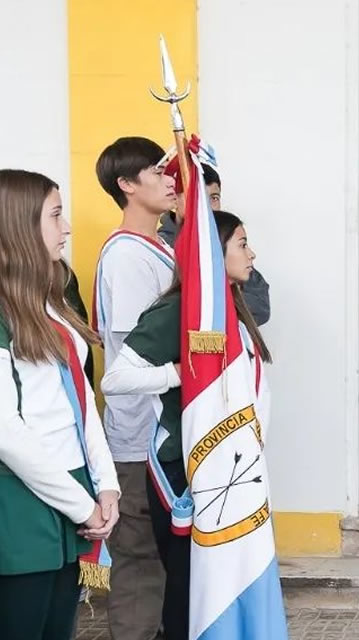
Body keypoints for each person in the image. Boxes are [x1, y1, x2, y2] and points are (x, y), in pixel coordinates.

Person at [102, 210, 272, 640]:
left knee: (222, 590)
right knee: (188, 594)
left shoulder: (228, 305)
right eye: (241, 244)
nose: (251, 254)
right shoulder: (178, 309)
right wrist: (179, 373)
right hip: (185, 475)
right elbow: (116, 378)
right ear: (214, 252)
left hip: (230, 472)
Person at [0, 169, 120, 640]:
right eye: (55, 215)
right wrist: (83, 506)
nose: (67, 227)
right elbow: (7, 433)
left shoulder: (50, 304)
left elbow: (83, 403)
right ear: (19, 225)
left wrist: (105, 485)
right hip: (21, 507)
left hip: (71, 496)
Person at [93, 136, 177, 640]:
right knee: (141, 561)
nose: (169, 179)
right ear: (126, 185)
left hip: (163, 433)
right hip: (138, 438)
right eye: (156, 171)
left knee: (163, 561)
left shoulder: (160, 245)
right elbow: (131, 360)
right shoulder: (127, 256)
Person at [161, 162, 272, 326]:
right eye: (197, 197)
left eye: (214, 198)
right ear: (175, 199)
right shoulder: (163, 246)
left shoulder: (223, 240)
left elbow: (260, 305)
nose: (207, 207)